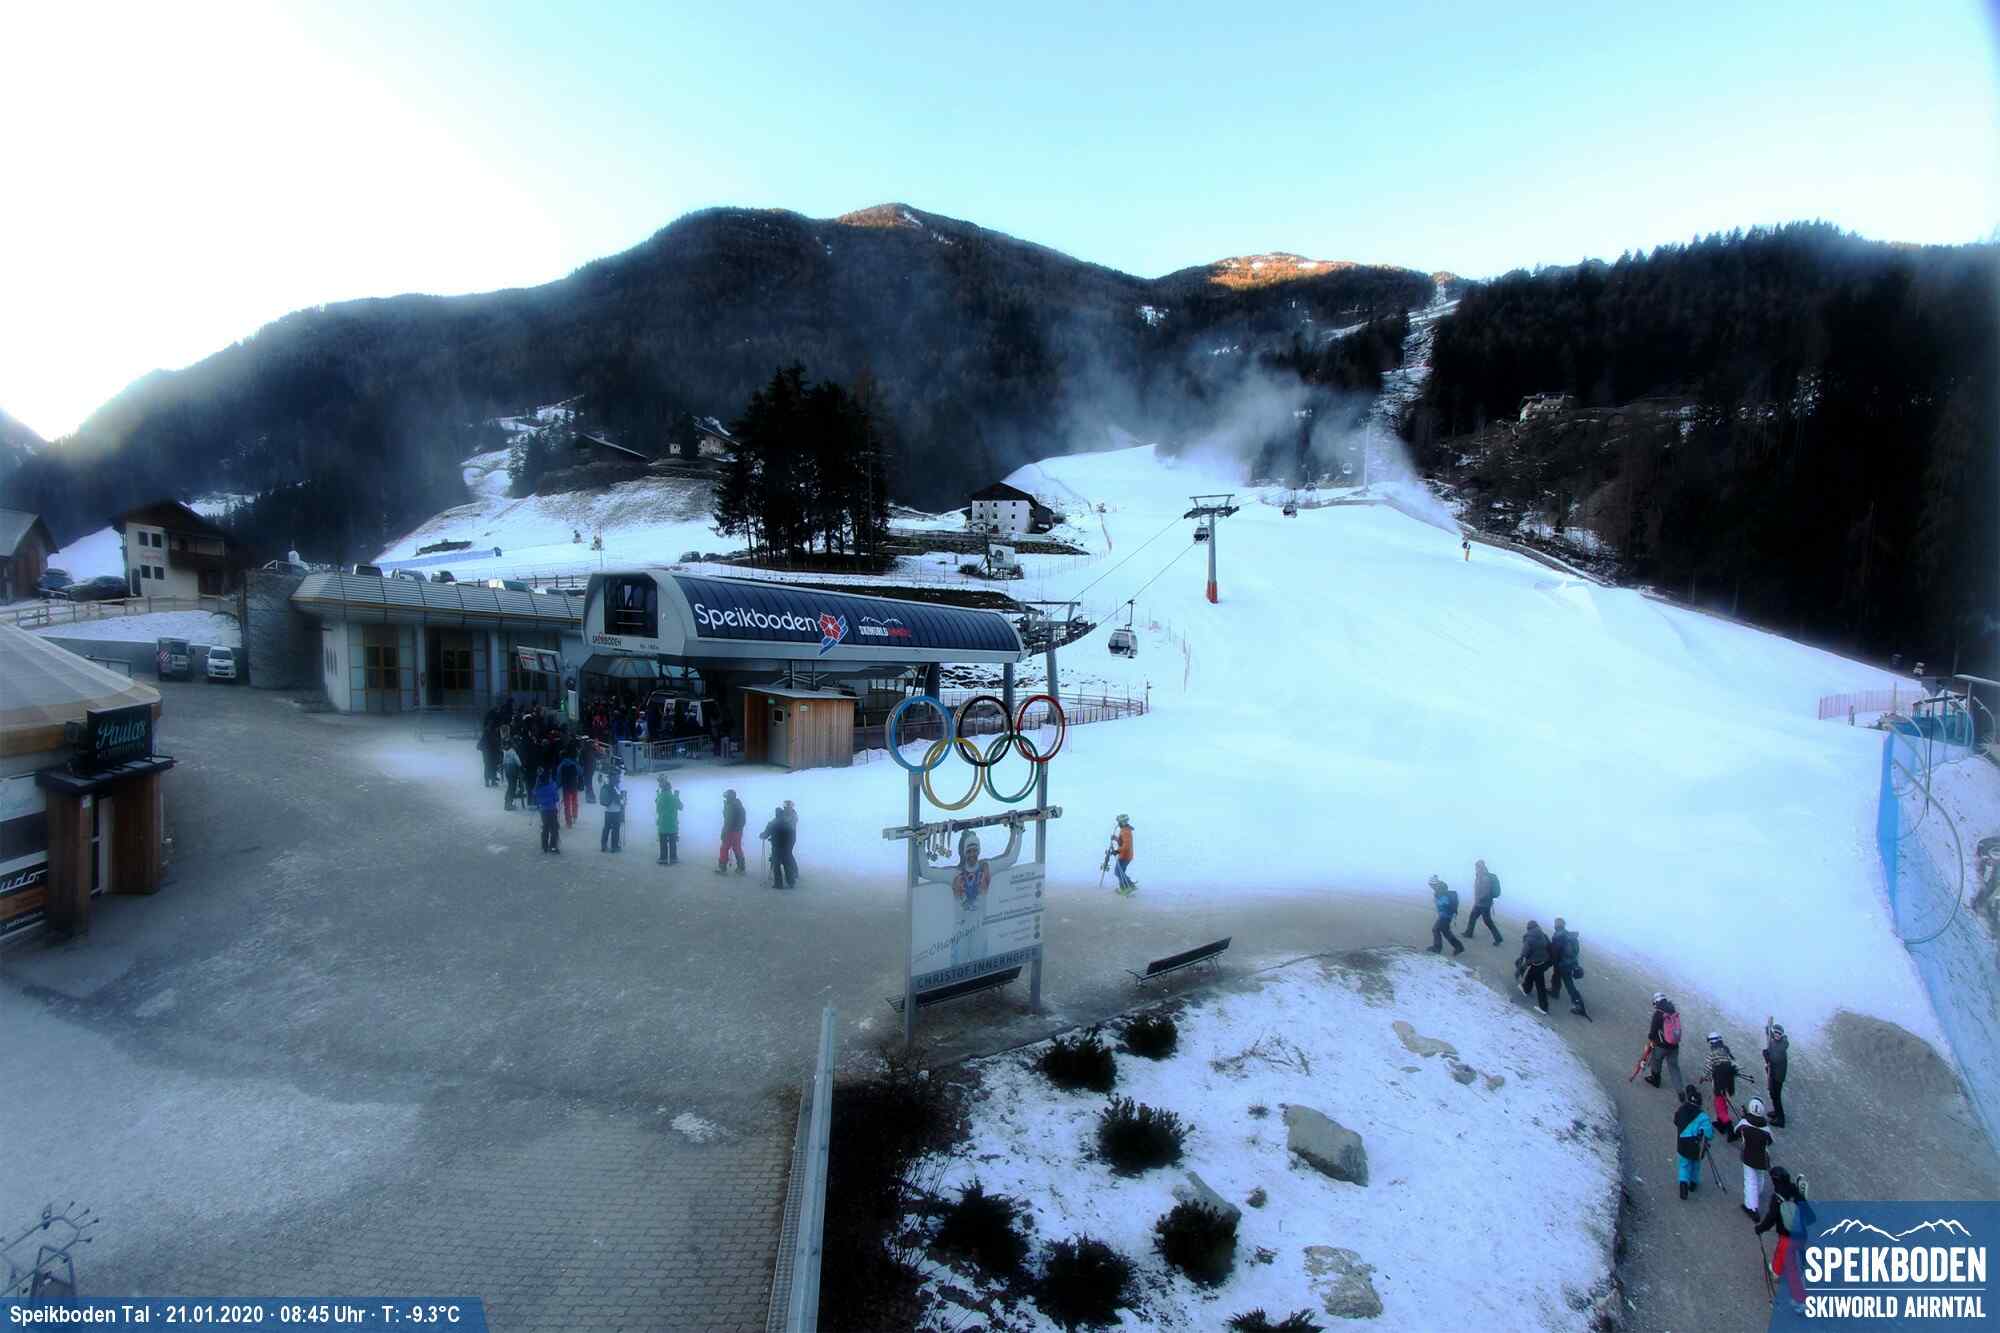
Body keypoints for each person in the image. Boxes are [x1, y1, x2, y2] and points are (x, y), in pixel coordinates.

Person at [1755, 1166, 1814, 1311]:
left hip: (1788, 1238)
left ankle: (1800, 1301)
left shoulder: (1777, 1198)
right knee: (1782, 1252)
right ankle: (1776, 1270)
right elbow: (1809, 1214)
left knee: (1792, 1269)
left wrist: (1760, 1228)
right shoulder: (1794, 1190)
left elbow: (1771, 1218)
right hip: (1801, 1234)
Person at [1729, 1097, 1775, 1219]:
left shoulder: (1744, 1124)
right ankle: (1757, 1193)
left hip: (1748, 1155)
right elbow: (1771, 1141)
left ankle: (1752, 1208)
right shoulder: (1765, 1128)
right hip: (1762, 1157)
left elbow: (1736, 1131)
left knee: (1750, 1181)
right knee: (1759, 1176)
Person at [1673, 1084, 1714, 1201]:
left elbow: (1676, 1121)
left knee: (1684, 1165)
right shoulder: (1703, 1116)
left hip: (1682, 1143)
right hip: (1697, 1146)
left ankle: (1683, 1184)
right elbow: (1709, 1134)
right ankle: (1693, 1183)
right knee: (1696, 1164)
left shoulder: (1681, 1110)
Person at [1699, 1033, 1740, 1135]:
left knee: (1719, 1104)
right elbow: (1733, 1063)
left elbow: (1708, 1068)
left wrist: (1703, 1077)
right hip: (1729, 1082)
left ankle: (1730, 1129)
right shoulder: (1726, 1050)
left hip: (1720, 1083)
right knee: (1723, 1101)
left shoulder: (1713, 1054)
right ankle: (1721, 1123)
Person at [1549, 917, 1589, 1018]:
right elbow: (1575, 951)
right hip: (1569, 963)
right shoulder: (1569, 936)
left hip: (1563, 964)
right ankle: (1554, 991)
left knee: (1569, 984)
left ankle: (1579, 1005)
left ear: (1558, 925)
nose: (1555, 925)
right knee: (1556, 976)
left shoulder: (1560, 936)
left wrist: (1552, 958)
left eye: (1556, 924)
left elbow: (1556, 951)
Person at [1644, 993, 1685, 1091]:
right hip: (1674, 1046)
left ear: (1656, 1002)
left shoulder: (1658, 1014)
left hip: (1661, 1046)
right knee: (1674, 1068)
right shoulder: (1673, 1011)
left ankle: (1655, 1080)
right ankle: (1680, 1090)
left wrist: (1650, 1040)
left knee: (1656, 1060)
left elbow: (1653, 1031)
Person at [1516, 919, 1552, 1013]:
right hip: (1545, 960)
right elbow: (1548, 945)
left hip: (1537, 962)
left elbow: (1525, 952)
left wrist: (1521, 961)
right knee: (1531, 973)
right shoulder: (1542, 934)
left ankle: (1543, 1007)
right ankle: (1526, 988)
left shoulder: (1529, 938)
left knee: (1540, 985)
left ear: (1528, 928)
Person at [1465, 859, 1503, 945]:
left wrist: (1479, 899)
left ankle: (1498, 938)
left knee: (1487, 921)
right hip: (1480, 903)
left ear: (1481, 867)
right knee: (1473, 917)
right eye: (1476, 867)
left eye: (1477, 867)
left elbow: (1486, 891)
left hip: (1484, 903)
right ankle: (1469, 933)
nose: (1476, 868)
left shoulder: (1485, 877)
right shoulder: (1479, 876)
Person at [760, 806, 798, 889]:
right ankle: (791, 882)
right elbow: (792, 835)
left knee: (776, 865)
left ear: (776, 814)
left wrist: (762, 835)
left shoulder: (773, 823)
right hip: (785, 847)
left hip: (776, 847)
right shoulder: (787, 823)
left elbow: (766, 834)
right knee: (786, 864)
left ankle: (778, 884)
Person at [1424, 875, 1463, 955]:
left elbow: (1445, 903)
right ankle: (1459, 947)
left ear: (1434, 884)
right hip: (1445, 914)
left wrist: (1440, 902)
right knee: (1445, 932)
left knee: (1435, 929)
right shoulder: (1439, 890)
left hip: (1445, 915)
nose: (1431, 887)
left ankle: (1437, 947)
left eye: (1431, 885)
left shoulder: (1441, 891)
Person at [1762, 1018, 1790, 1128]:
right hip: (1774, 1072)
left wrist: (1766, 1056)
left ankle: (1780, 1119)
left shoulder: (1781, 1047)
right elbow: (1770, 1037)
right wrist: (1768, 1030)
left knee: (1776, 1096)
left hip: (1778, 1075)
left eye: (1779, 1034)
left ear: (1782, 1035)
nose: (1777, 1035)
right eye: (1776, 1033)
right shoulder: (1774, 1040)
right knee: (1772, 1094)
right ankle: (1776, 1112)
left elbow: (1774, 1059)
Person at [716, 788, 748, 876]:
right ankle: (741, 868)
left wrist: (724, 832)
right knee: (737, 848)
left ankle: (722, 868)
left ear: (730, 797)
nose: (726, 798)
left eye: (727, 796)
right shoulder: (738, 805)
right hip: (737, 831)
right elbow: (742, 821)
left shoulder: (732, 806)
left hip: (731, 831)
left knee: (724, 848)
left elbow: (728, 821)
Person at [532, 768, 562, 854]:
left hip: (543, 811)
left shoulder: (538, 788)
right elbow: (556, 798)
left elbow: (535, 796)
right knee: (554, 828)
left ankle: (544, 846)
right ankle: (553, 846)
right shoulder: (552, 786)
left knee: (545, 827)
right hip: (552, 810)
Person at [655, 778, 683, 865]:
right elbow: (681, 807)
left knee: (663, 842)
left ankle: (663, 858)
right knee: (672, 842)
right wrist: (677, 796)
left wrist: (658, 795)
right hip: (672, 824)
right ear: (670, 788)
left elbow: (658, 809)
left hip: (663, 824)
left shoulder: (660, 797)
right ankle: (673, 857)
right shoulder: (673, 797)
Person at [1109, 814, 1137, 893]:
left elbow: (1126, 846)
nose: (1118, 824)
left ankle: (1128, 886)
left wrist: (1117, 851)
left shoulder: (1126, 831)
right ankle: (1125, 886)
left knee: (1118, 872)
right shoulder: (1124, 830)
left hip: (1125, 856)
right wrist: (1116, 838)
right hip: (1124, 855)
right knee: (1120, 872)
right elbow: (1122, 842)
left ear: (1123, 822)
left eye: (1119, 822)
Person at [599, 770, 626, 853]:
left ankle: (603, 845)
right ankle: (614, 846)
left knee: (606, 828)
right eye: (617, 777)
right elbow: (618, 801)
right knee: (615, 829)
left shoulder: (607, 786)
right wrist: (623, 800)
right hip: (616, 812)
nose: (618, 779)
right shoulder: (614, 788)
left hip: (607, 811)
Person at [557, 749, 582, 828]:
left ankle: (568, 822)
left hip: (566, 786)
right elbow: (580, 772)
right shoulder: (574, 763)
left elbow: (558, 776)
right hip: (574, 785)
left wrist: (558, 785)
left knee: (567, 804)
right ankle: (575, 816)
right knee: (574, 801)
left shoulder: (561, 765)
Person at [502, 743, 524, 811]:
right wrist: (521, 767)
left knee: (510, 786)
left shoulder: (506, 752)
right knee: (512, 787)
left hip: (507, 771)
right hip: (513, 771)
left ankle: (507, 802)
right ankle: (509, 804)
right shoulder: (513, 752)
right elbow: (518, 762)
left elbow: (503, 762)